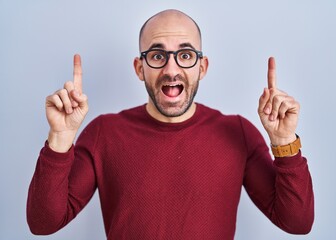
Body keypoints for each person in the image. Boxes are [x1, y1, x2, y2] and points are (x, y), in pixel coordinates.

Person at [27, 9, 314, 239]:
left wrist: (284, 141)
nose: (171, 69)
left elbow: (297, 222)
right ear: (140, 68)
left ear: (202, 67)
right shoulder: (104, 133)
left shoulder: (238, 133)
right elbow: (44, 223)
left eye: (186, 55)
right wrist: (60, 138)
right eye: (157, 55)